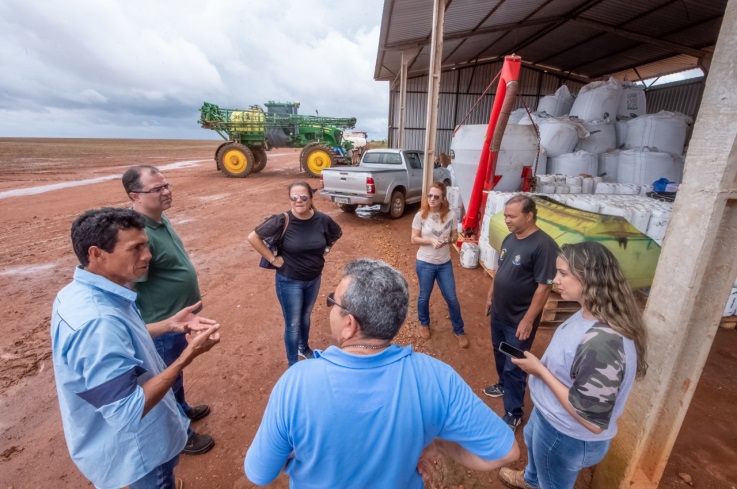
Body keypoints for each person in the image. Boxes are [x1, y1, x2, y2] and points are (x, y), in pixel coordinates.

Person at [245, 259, 519, 488]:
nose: (329, 307)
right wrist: (439, 444)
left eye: (333, 301)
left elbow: (260, 473)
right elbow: (506, 452)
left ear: (349, 325)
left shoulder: (297, 383)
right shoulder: (435, 377)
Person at [51, 208, 221, 489]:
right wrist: (186, 357)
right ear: (97, 254)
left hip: (118, 443)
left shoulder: (79, 293)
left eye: (146, 244)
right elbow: (127, 411)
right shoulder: (98, 322)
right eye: (136, 248)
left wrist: (168, 325)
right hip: (140, 451)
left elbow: (122, 339)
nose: (148, 255)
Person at [498, 241, 648, 489]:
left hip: (566, 435)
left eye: (563, 274)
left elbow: (591, 419)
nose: (555, 279)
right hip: (551, 416)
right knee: (533, 444)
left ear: (591, 278)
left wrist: (541, 372)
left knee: (553, 482)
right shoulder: (588, 311)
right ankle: (530, 480)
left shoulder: (604, 343)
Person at [122, 165, 214, 455]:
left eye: (167, 185)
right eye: (157, 189)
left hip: (178, 320)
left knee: (176, 373)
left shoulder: (157, 220)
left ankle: (183, 410)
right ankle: (180, 435)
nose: (166, 192)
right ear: (134, 196)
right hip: (161, 324)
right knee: (164, 381)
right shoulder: (138, 235)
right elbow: (130, 287)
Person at [484, 194, 559, 431]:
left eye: (512, 216)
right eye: (505, 215)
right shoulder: (510, 238)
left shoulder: (544, 246)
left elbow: (544, 286)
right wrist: (490, 295)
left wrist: (528, 319)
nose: (507, 220)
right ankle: (502, 385)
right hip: (499, 312)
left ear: (529, 216)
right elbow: (500, 268)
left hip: (519, 321)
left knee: (515, 365)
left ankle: (513, 412)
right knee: (498, 352)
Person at [247, 181, 342, 367]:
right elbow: (253, 237)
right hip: (289, 280)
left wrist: (326, 249)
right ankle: (293, 363)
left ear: (311, 198)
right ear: (290, 199)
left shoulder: (322, 219)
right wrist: (273, 259)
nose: (299, 201)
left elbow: (336, 233)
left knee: (305, 316)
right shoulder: (282, 220)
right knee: (292, 324)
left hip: (313, 278)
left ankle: (303, 348)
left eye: (303, 197)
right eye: (294, 197)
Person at [411, 181, 468, 347]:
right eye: (430, 195)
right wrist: (430, 240)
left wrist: (447, 240)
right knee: (424, 296)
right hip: (425, 262)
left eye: (436, 196)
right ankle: (424, 324)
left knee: (451, 298)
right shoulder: (420, 215)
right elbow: (413, 239)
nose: (432, 199)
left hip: (444, 263)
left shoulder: (450, 215)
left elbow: (455, 237)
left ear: (443, 199)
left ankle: (459, 330)